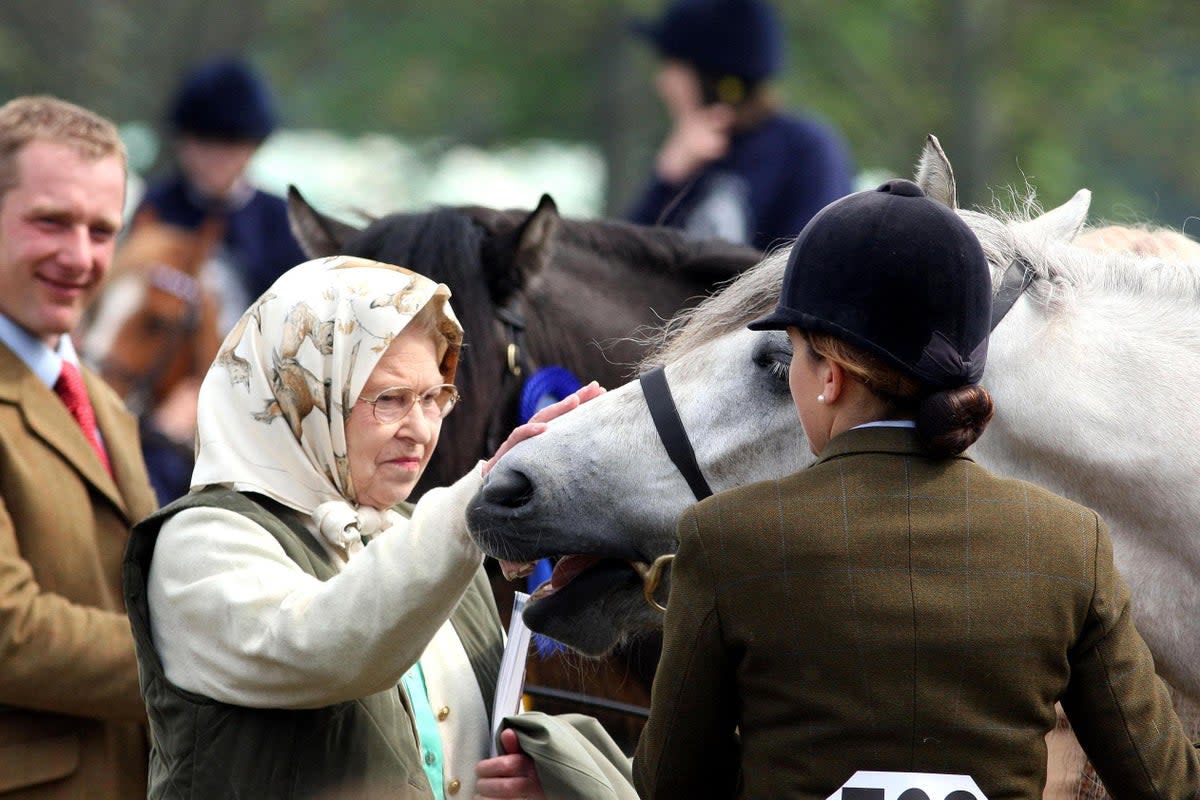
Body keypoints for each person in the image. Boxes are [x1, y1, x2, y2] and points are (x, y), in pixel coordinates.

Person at [633, 180, 1200, 798]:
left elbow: (670, 782)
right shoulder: (1073, 543)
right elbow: (1164, 784)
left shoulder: (723, 539)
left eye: (790, 355)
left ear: (828, 374)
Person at [123, 255, 604, 799]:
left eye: (433, 397)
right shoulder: (201, 541)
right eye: (391, 400)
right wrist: (479, 500)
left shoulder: (429, 531)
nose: (421, 430)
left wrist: (526, 777)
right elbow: (320, 647)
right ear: (301, 395)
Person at [0, 96, 158, 798]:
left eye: (102, 230)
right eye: (50, 222)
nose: (81, 257)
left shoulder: (99, 399)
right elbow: (11, 632)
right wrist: (212, 657)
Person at [627, 0, 853, 251]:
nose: (663, 82)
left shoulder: (804, 150)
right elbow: (625, 265)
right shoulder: (687, 157)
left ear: (709, 80)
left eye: (674, 68)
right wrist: (666, 179)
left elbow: (806, 266)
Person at [132, 56, 305, 333]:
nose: (215, 159)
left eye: (230, 146)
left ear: (253, 147)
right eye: (204, 143)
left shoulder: (282, 221)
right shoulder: (156, 206)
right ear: (182, 142)